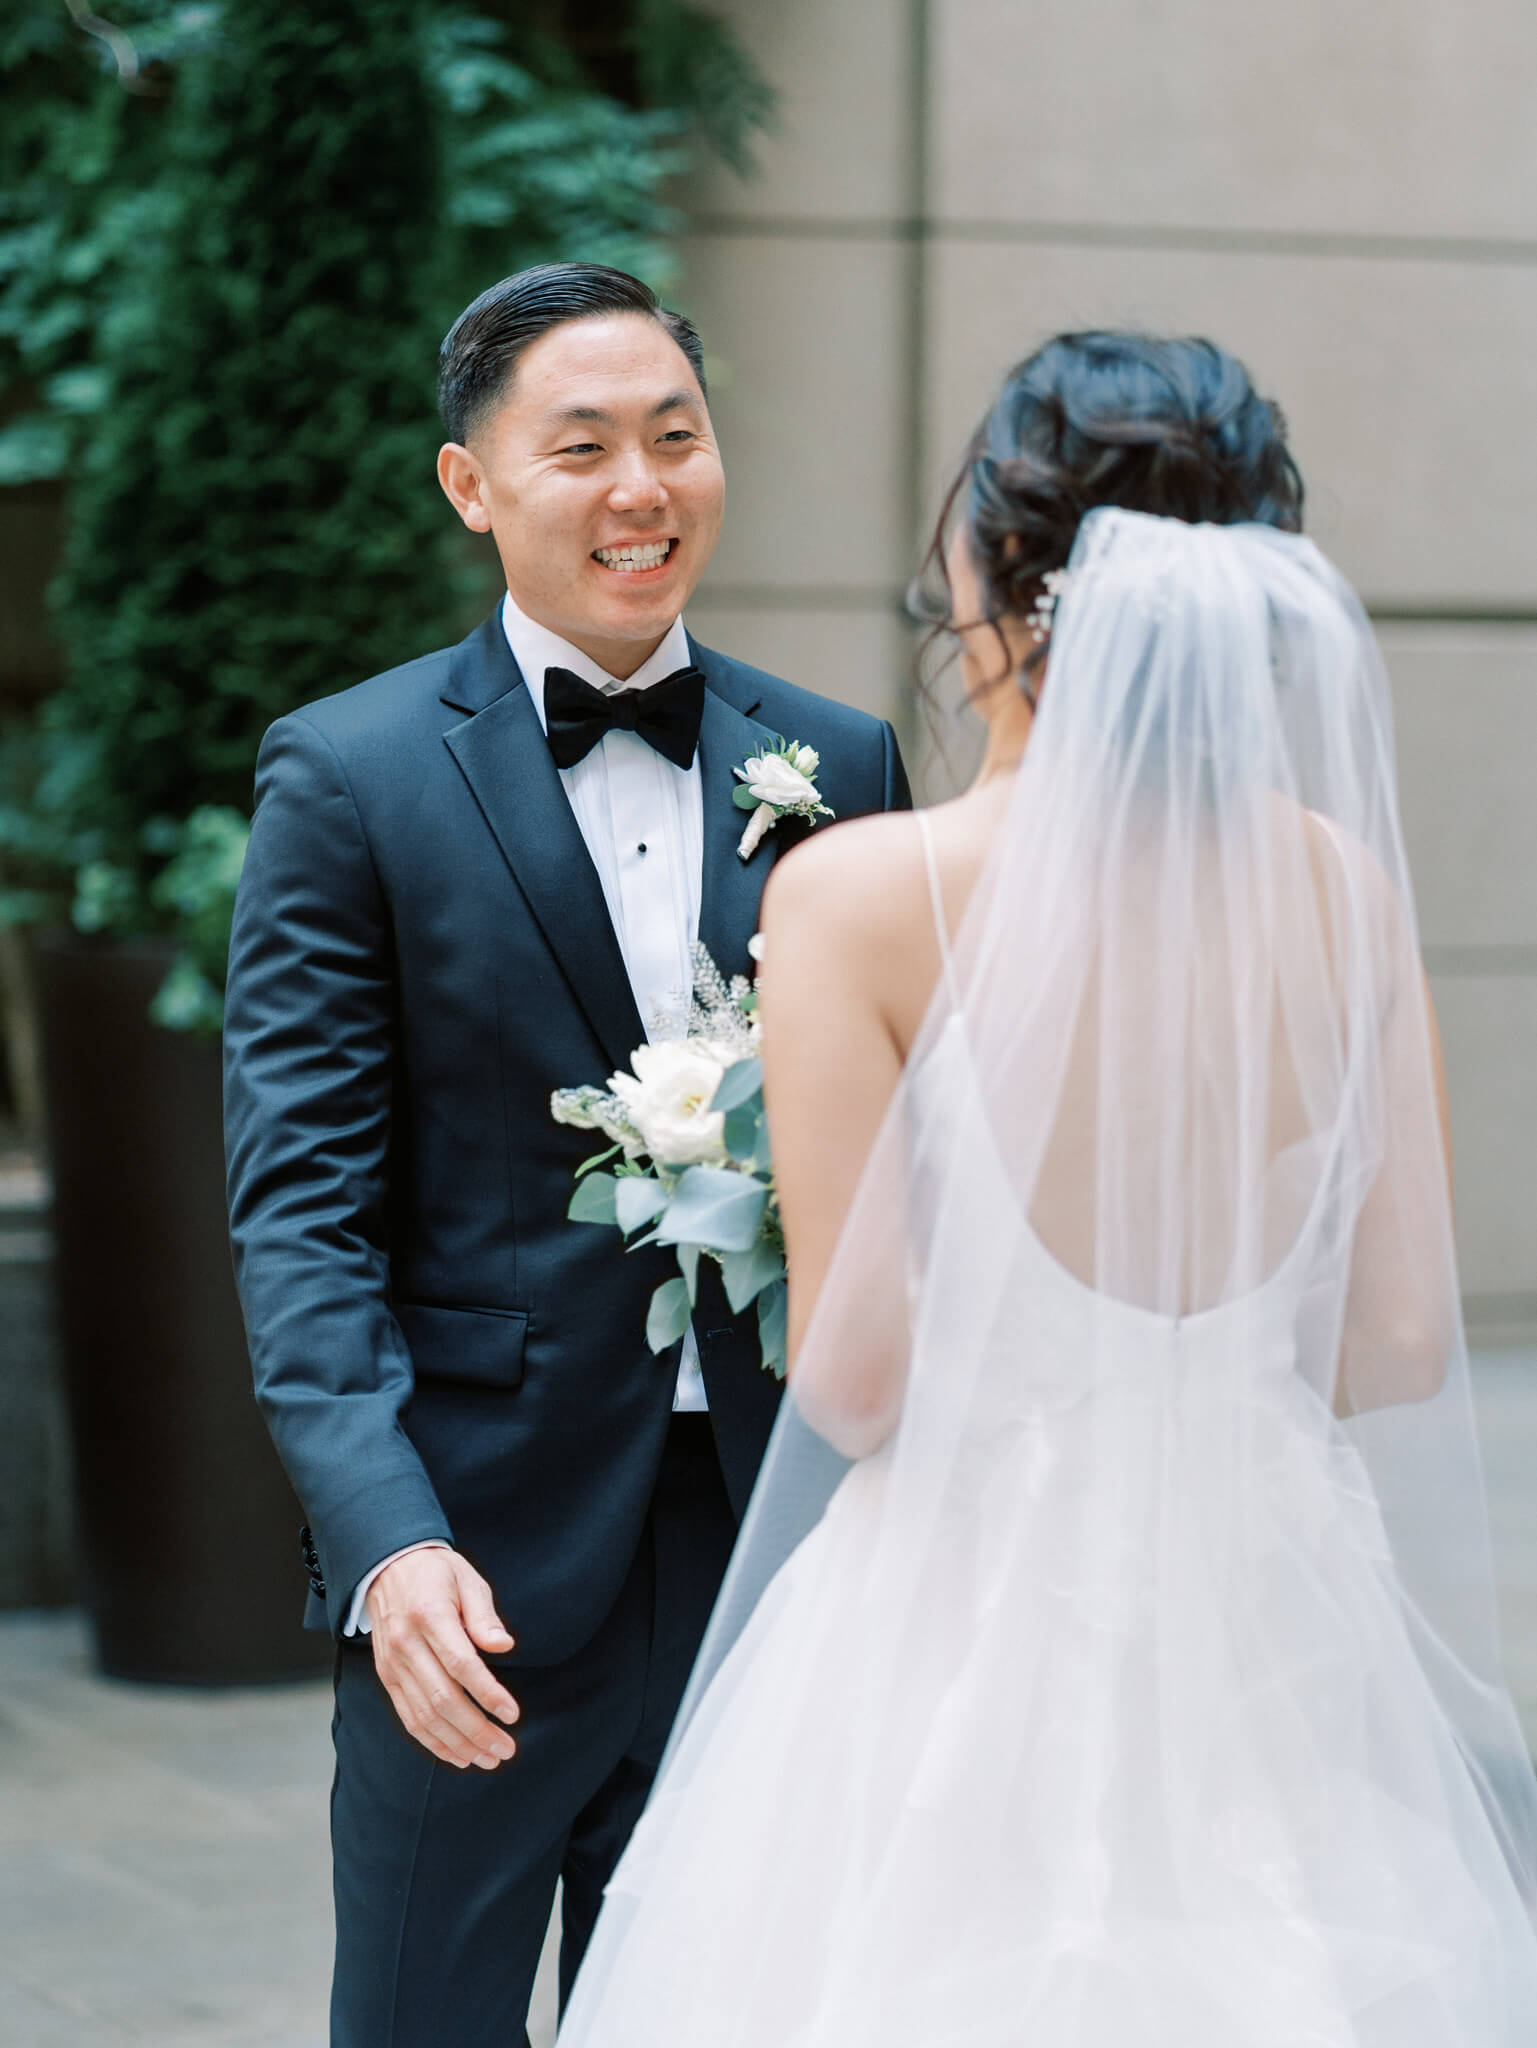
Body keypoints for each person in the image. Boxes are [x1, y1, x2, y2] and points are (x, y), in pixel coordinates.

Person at [556, 333, 1537, 2046]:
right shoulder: (1346, 895)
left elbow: (859, 1390)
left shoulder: (863, 899)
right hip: (1261, 1600)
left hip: (962, 1612)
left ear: (992, 572)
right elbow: (1389, 1338)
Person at [221, 260, 910, 2048]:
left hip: (773, 1545)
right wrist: (384, 1545)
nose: (640, 490)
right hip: (477, 1573)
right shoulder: (348, 774)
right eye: (582, 446)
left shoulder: (837, 762)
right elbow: (299, 1212)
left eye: (675, 439)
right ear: (472, 485)